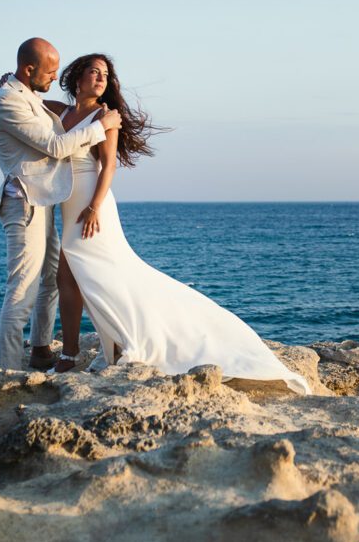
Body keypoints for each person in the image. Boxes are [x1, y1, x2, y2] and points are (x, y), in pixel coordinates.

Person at [44, 53, 309, 395]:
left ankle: (88, 349)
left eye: (105, 76)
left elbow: (108, 165)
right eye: (93, 72)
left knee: (98, 276)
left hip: (92, 208)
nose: (99, 79)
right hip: (68, 208)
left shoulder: (104, 116)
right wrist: (12, 82)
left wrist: (95, 206)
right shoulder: (63, 112)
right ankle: (77, 349)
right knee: (68, 278)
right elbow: (30, 100)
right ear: (76, 77)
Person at [0, 38, 122, 371]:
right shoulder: (8, 101)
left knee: (49, 278)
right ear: (29, 69)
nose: (53, 78)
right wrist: (100, 127)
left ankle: (41, 348)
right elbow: (54, 145)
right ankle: (7, 369)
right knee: (22, 287)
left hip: (49, 199)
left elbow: (108, 164)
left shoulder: (27, 95)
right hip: (25, 201)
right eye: (49, 72)